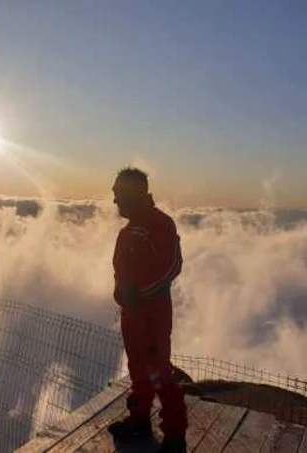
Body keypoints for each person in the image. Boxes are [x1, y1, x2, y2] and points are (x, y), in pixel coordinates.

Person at [108, 167, 187, 453]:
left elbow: (171, 267)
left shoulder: (159, 224)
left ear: (134, 194)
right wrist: (122, 294)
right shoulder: (128, 231)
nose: (115, 200)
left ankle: (175, 438)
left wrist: (137, 295)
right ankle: (140, 421)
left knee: (159, 372)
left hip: (151, 315)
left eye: (118, 193)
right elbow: (120, 271)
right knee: (138, 369)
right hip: (132, 314)